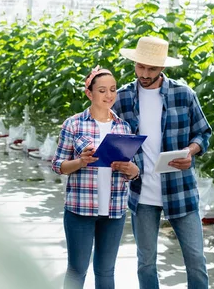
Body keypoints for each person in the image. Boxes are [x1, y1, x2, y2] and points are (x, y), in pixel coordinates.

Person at [112, 36, 212, 289]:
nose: (144, 74)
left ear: (163, 68)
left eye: (152, 69)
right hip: (141, 192)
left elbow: (203, 133)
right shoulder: (122, 98)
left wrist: (190, 151)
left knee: (196, 260)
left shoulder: (183, 94)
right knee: (146, 262)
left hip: (180, 190)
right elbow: (109, 137)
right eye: (140, 67)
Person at [52, 66, 140, 289]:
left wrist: (133, 171)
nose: (109, 95)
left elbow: (133, 168)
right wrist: (80, 162)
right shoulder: (74, 124)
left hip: (114, 209)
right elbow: (58, 165)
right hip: (80, 208)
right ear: (89, 93)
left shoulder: (123, 126)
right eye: (102, 90)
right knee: (77, 270)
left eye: (112, 89)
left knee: (106, 271)